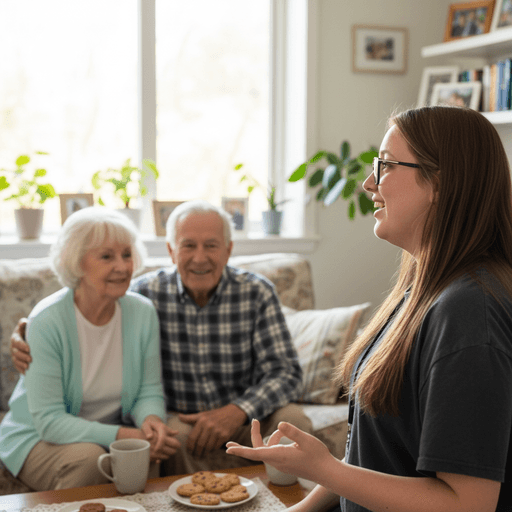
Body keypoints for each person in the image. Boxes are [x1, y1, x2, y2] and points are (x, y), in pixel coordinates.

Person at [226, 106, 512, 512]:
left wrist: (323, 468)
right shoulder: (422, 290)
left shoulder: (469, 313)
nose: (367, 182)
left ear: (439, 185)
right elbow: (377, 453)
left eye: (386, 165)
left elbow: (467, 503)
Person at [11, 200, 310, 475]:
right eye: (188, 245)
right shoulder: (144, 295)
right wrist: (27, 331)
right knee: (170, 436)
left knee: (293, 421)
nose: (200, 258)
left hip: (249, 414)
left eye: (211, 246)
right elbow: (79, 307)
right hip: (185, 420)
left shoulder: (255, 292)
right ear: (170, 250)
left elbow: (286, 372)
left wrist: (237, 412)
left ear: (228, 250)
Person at [0, 207, 179, 491]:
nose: (122, 266)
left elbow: (148, 389)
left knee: (151, 446)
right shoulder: (47, 321)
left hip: (106, 431)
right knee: (90, 457)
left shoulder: (142, 311)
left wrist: (151, 422)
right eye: (107, 256)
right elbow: (49, 421)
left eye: (127, 254)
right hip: (37, 436)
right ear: (77, 262)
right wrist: (126, 434)